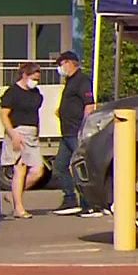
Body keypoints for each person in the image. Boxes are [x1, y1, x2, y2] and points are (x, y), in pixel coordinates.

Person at [51, 51, 98, 217]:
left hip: (76, 131)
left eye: (61, 64)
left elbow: (89, 105)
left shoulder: (82, 80)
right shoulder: (69, 81)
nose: (60, 68)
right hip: (66, 132)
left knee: (81, 167)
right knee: (60, 166)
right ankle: (70, 199)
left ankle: (89, 204)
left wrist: (84, 128)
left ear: (70, 63)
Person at [0, 62, 46, 218]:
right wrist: (13, 134)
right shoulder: (12, 92)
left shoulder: (36, 93)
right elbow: (4, 115)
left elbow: (35, 115)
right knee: (20, 169)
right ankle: (19, 208)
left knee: (38, 171)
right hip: (17, 132)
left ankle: (13, 195)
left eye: (37, 79)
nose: (35, 82)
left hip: (32, 133)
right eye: (33, 78)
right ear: (25, 75)